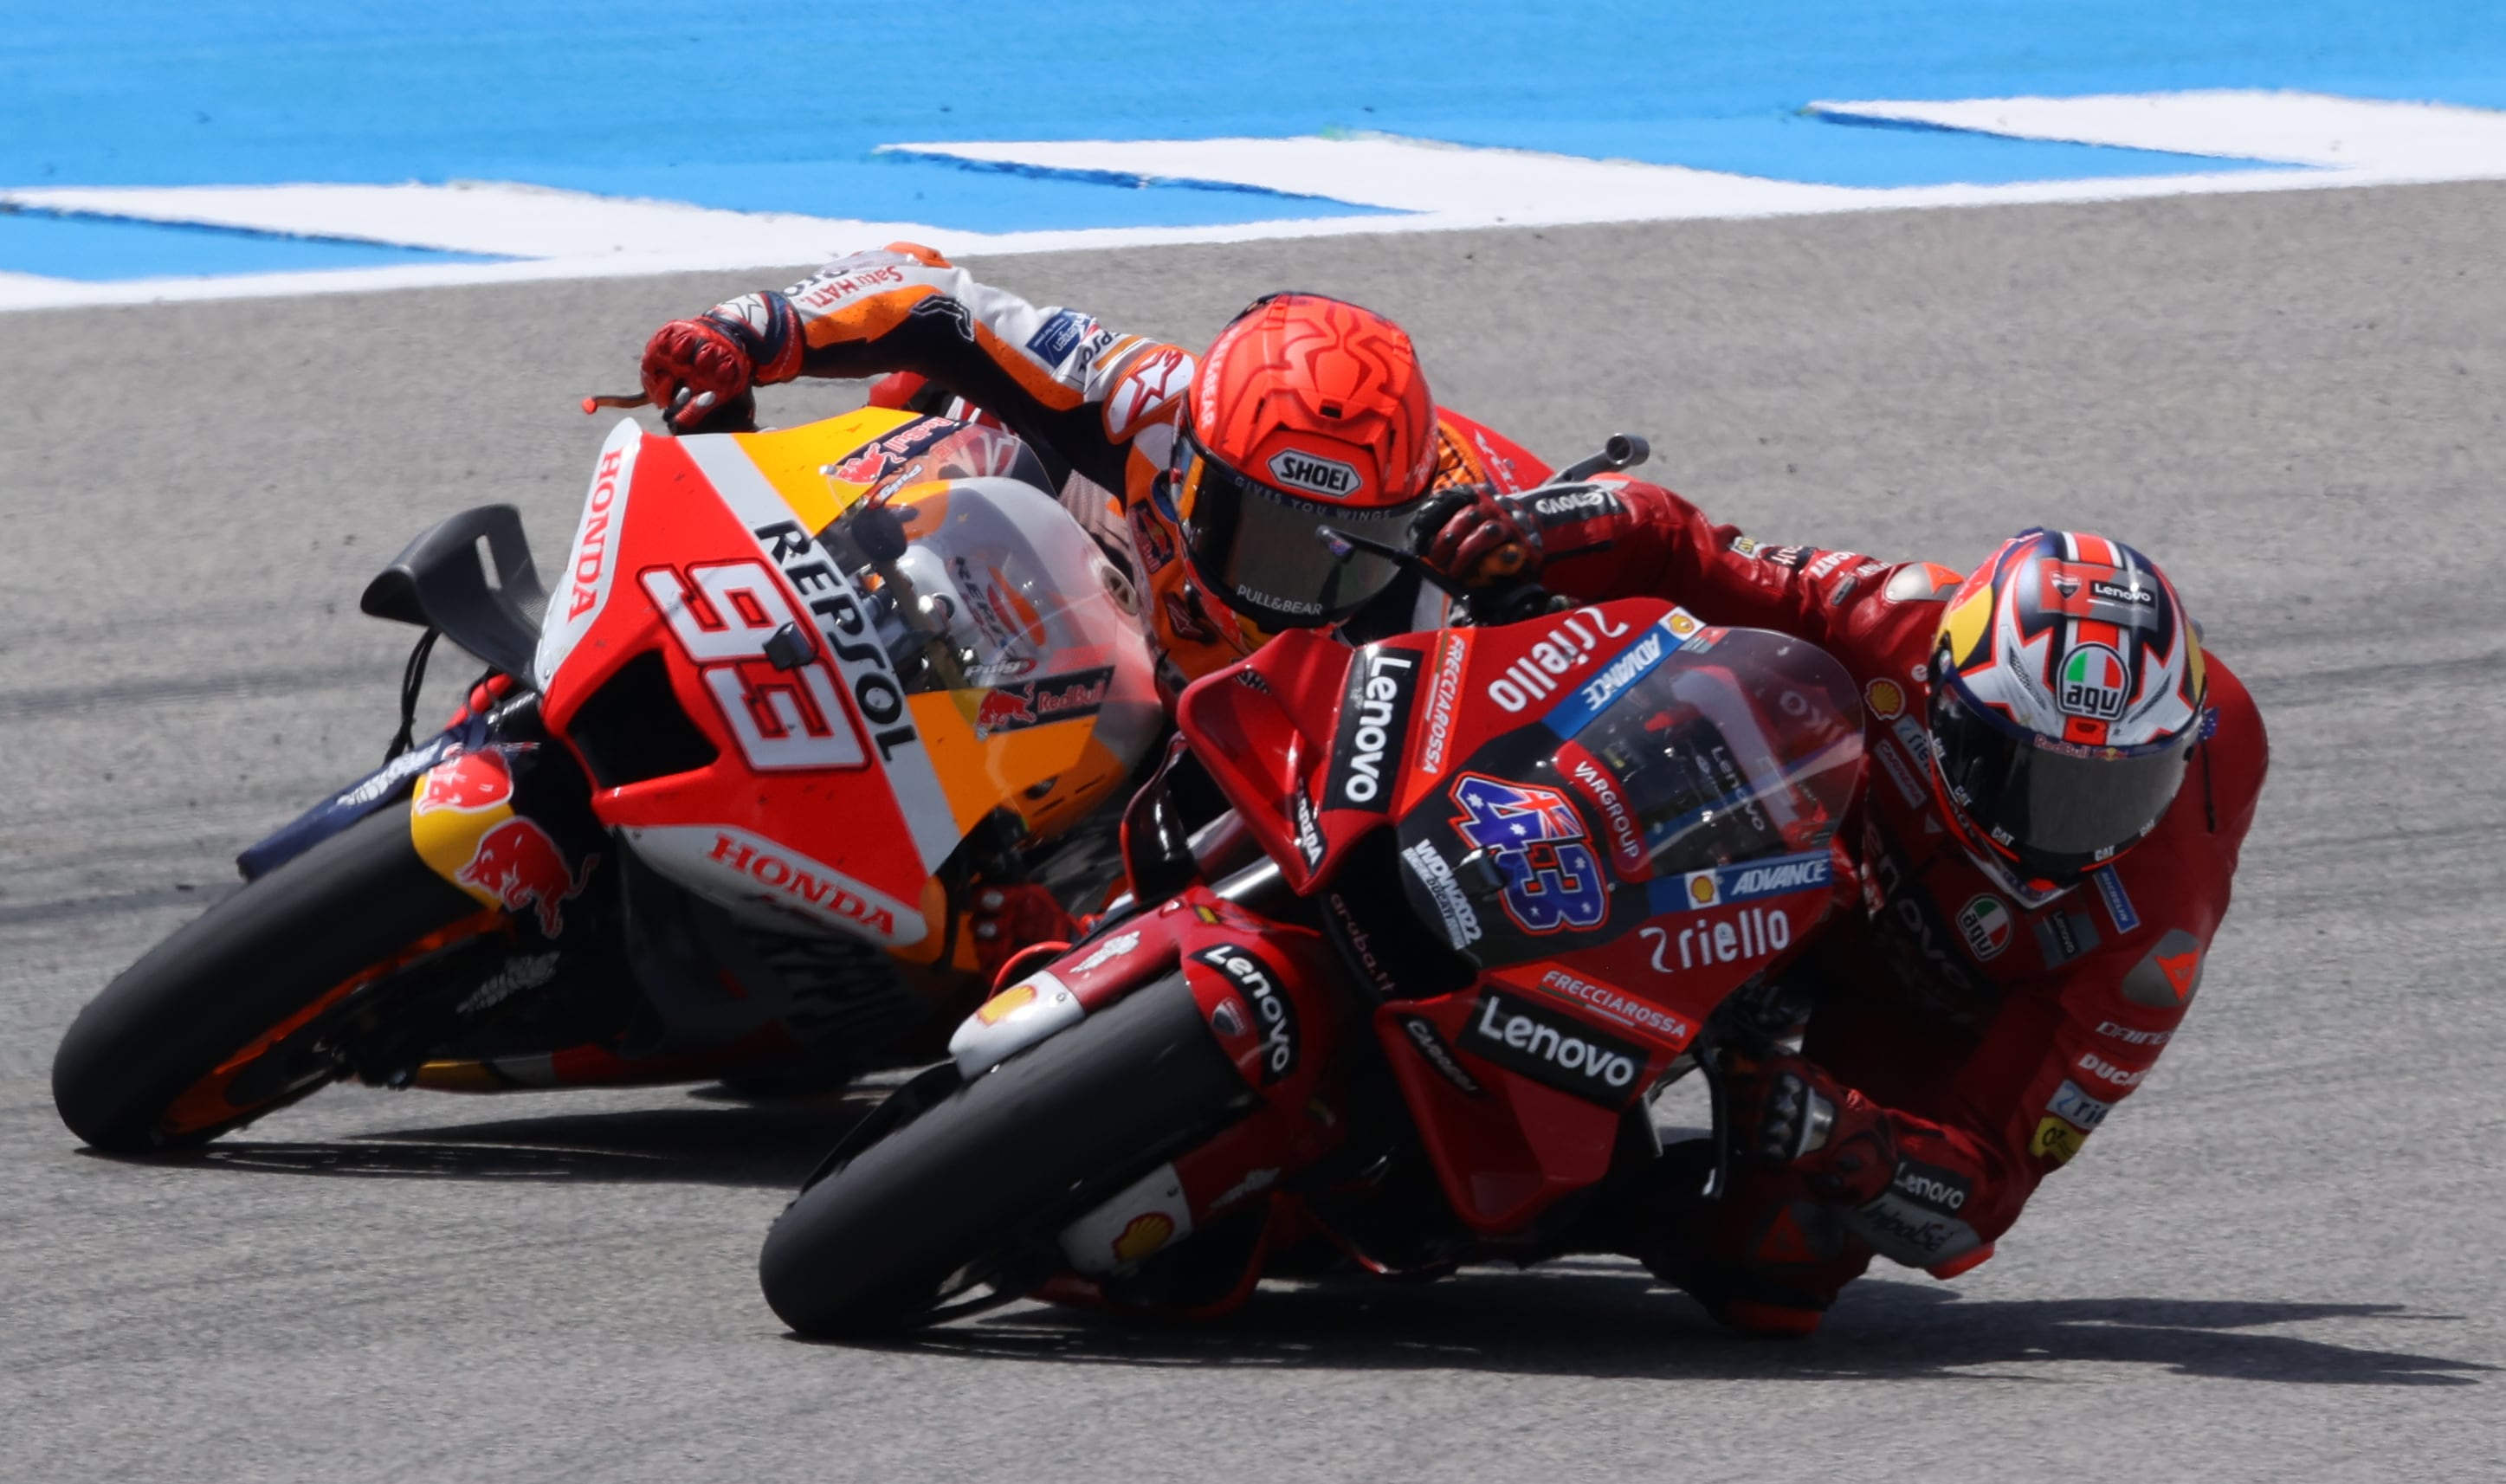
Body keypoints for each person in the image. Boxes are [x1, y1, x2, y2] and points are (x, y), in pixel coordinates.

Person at [1416, 482, 2269, 1334]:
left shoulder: (2152, 941)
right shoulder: (1903, 619)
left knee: (1781, 1262)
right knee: (1712, 686)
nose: (2062, 831)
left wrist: (1845, 1138)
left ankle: (1555, 1197)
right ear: (1946, 700)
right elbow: (1691, 551)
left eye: (2112, 790)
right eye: (2028, 773)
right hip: (1795, 848)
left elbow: (1985, 1191)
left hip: (1921, 1012)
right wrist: (1538, 528)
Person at [637, 243, 1552, 700]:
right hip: (1136, 571)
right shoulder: (1154, 397)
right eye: (1261, 526)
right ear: (1197, 455)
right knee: (936, 402)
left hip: (1264, 733)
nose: (1287, 580)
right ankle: (741, 539)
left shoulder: (1447, 595)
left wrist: (1517, 608)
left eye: (1333, 553)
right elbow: (927, 295)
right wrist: (751, 328)